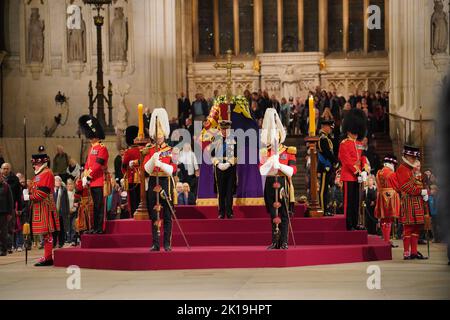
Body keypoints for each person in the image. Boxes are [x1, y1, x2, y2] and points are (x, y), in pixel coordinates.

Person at [259, 108, 297, 250]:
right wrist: (270, 162)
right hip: (269, 182)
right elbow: (261, 170)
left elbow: (292, 171)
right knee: (273, 214)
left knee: (284, 214)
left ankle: (284, 241)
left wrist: (279, 164)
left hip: (283, 183)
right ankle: (275, 241)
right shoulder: (265, 152)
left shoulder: (288, 151)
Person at [143, 108, 177, 252]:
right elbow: (146, 169)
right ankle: (156, 243)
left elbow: (173, 169)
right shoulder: (150, 149)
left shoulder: (172, 150)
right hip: (153, 182)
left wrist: (161, 164)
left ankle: (167, 243)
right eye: (157, 136)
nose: (159, 138)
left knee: (167, 215)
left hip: (165, 182)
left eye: (161, 135)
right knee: (154, 213)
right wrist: (152, 159)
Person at [22, 154, 60, 266]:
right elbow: (35, 189)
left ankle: (48, 257)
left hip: (45, 206)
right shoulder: (39, 174)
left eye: (36, 164)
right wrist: (28, 192)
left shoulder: (46, 173)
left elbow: (42, 193)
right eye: (33, 164)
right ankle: (47, 256)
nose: (34, 166)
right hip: (39, 206)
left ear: (41, 163)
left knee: (47, 233)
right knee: (45, 234)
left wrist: (29, 197)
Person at [338, 108, 370, 231]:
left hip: (358, 177)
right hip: (348, 176)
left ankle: (355, 222)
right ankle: (348, 223)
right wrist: (357, 172)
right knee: (349, 202)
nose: (356, 133)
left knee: (357, 201)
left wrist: (364, 170)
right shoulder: (344, 143)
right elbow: (346, 161)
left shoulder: (358, 143)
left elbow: (362, 157)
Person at [396, 145, 429, 260]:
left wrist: (424, 193)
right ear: (406, 156)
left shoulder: (410, 169)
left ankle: (414, 252)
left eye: (415, 157)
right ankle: (406, 253)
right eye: (412, 157)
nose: (414, 159)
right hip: (409, 201)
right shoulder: (402, 168)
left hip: (416, 201)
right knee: (408, 228)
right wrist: (421, 191)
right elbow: (406, 187)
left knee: (416, 227)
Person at [78, 115, 109, 234]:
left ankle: (99, 228)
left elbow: (98, 165)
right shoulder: (92, 148)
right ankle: (95, 227)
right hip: (92, 181)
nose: (90, 138)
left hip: (99, 181)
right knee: (93, 206)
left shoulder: (102, 148)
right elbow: (88, 163)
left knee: (99, 206)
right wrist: (84, 175)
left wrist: (88, 176)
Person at [211, 120, 237, 219]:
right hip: (219, 167)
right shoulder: (215, 139)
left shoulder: (234, 139)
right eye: (222, 129)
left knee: (229, 190)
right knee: (220, 190)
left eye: (226, 129)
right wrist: (218, 163)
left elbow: (237, 153)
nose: (224, 131)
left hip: (230, 167)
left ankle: (230, 212)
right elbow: (212, 154)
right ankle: (221, 212)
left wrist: (229, 163)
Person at [374, 155, 400, 247]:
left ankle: (386, 240)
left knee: (384, 218)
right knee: (388, 219)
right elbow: (397, 185)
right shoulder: (391, 173)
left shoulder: (379, 172)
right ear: (391, 164)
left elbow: (378, 185)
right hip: (390, 197)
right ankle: (387, 240)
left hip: (381, 196)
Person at [318, 120, 338, 216]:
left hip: (328, 166)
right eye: (329, 127)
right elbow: (327, 152)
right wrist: (335, 161)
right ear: (325, 127)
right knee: (323, 189)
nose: (330, 129)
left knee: (326, 189)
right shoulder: (322, 138)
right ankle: (322, 209)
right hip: (324, 166)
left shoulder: (326, 137)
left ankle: (325, 208)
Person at [122, 126, 141, 216]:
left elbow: (123, 167)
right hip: (143, 179)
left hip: (132, 179)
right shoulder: (142, 150)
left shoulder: (128, 152)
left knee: (133, 202)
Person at [53, 176, 69, 248]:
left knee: (61, 228)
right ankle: (53, 243)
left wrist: (67, 211)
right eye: (56, 181)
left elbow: (67, 201)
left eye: (59, 181)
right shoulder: (51, 190)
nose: (58, 182)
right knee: (54, 229)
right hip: (53, 212)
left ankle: (61, 243)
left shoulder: (64, 190)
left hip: (62, 212)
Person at [0, 174, 13, 256]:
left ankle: (3, 249)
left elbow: (10, 200)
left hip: (4, 213)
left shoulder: (6, 186)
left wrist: (10, 213)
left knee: (3, 232)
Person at [66, 179, 77, 246]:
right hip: (67, 212)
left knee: (73, 226)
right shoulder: (65, 193)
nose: (70, 186)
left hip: (74, 211)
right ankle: (68, 239)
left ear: (73, 185)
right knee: (68, 226)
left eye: (71, 184)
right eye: (69, 184)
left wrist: (74, 207)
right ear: (67, 186)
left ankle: (73, 239)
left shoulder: (75, 193)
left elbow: (77, 202)